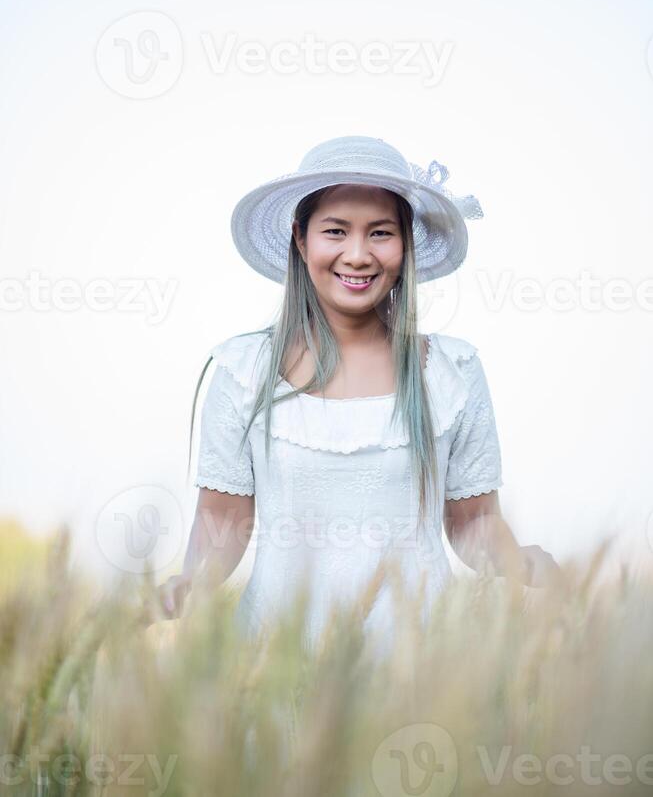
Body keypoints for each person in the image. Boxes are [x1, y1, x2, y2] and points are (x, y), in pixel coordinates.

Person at [154, 135, 561, 652]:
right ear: (300, 240)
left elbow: (473, 520)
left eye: (381, 233)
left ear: (406, 244)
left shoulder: (450, 373)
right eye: (336, 231)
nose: (358, 254)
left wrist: (513, 558)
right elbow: (223, 516)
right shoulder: (244, 373)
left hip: (418, 657)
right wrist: (193, 581)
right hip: (277, 654)